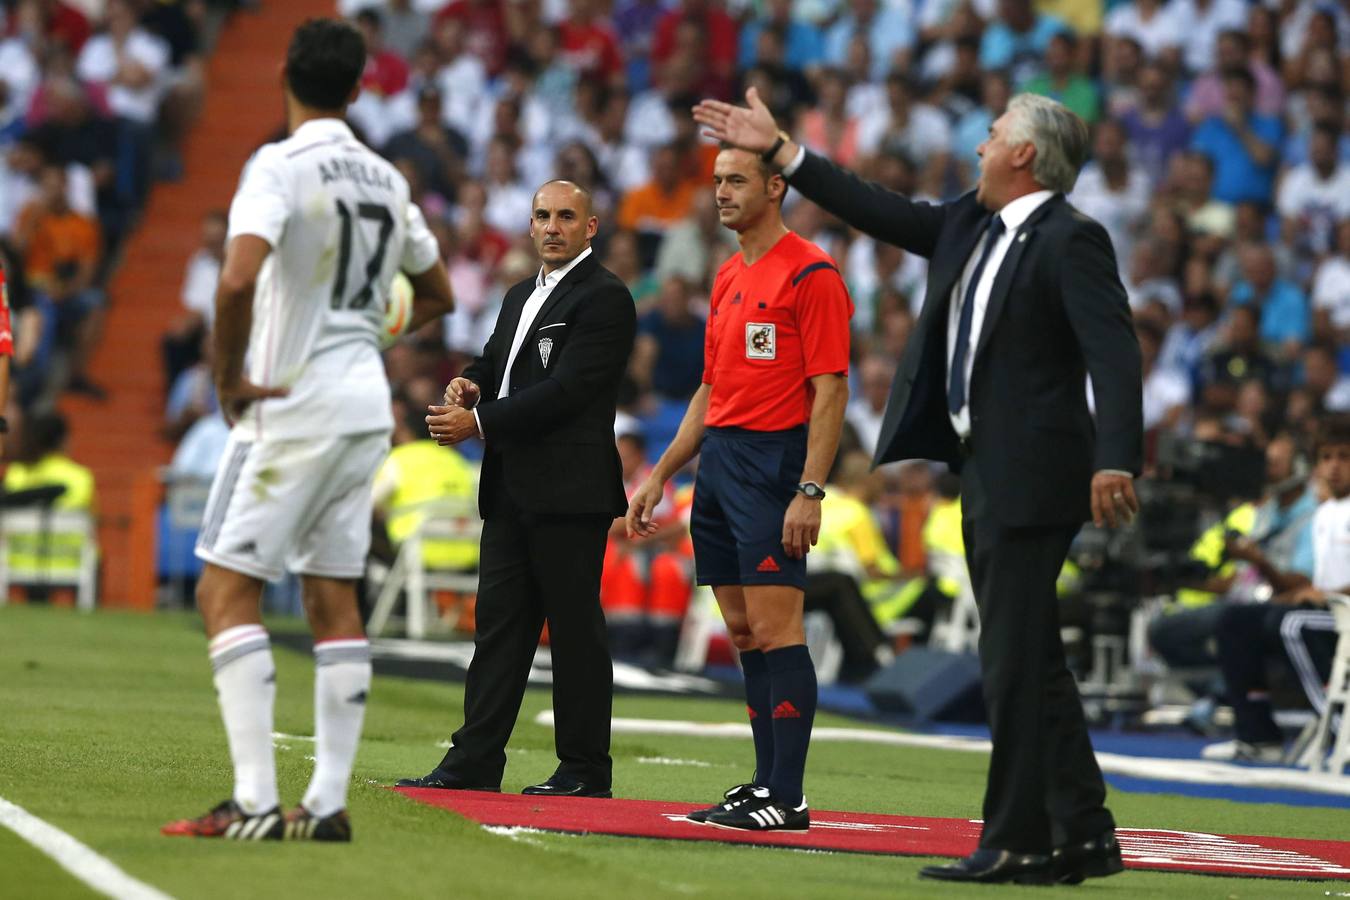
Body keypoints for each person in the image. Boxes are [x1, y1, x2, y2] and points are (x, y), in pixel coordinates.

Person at [695, 88, 1142, 882]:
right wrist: (787, 153)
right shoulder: (970, 224)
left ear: (1025, 155)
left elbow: (1114, 353)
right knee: (1031, 658)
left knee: (1008, 658)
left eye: (994, 134)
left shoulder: (1073, 240)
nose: (980, 146)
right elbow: (880, 210)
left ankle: (1016, 839)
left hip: (1037, 471)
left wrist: (1117, 457)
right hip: (983, 468)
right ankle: (1085, 832)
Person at [161, 18, 454, 842]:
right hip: (366, 409)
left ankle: (255, 801)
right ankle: (324, 807)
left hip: (289, 405)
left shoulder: (279, 166)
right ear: (360, 86)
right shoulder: (388, 178)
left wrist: (227, 378)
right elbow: (436, 294)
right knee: (333, 599)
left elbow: (236, 279)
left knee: (225, 591)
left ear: (286, 73)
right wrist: (369, 330)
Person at [627, 143, 853, 831]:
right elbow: (710, 387)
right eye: (718, 181)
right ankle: (763, 785)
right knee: (745, 632)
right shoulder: (726, 275)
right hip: (719, 463)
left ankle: (788, 795)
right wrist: (662, 473)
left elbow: (830, 389)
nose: (721, 192)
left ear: (776, 186)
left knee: (779, 628)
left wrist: (809, 491)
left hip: (773, 465)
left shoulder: (811, 274)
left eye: (737, 180)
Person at [397, 179, 636, 798]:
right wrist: (469, 385)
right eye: (541, 216)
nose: (551, 226)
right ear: (529, 226)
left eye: (565, 216)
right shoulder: (518, 296)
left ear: (590, 227)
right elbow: (497, 365)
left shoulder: (606, 299)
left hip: (569, 491)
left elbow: (569, 391)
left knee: (574, 630)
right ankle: (475, 761)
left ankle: (585, 769)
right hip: (510, 487)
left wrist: (478, 423)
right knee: (499, 629)